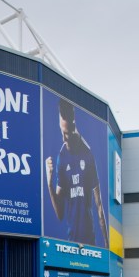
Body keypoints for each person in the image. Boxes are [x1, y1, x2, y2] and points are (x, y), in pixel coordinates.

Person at [45, 99, 107, 246]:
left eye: (66, 134)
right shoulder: (62, 156)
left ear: (74, 126)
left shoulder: (88, 154)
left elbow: (99, 206)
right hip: (70, 241)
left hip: (89, 241)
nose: (63, 138)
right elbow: (60, 214)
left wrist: (107, 248)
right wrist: (49, 183)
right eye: (61, 132)